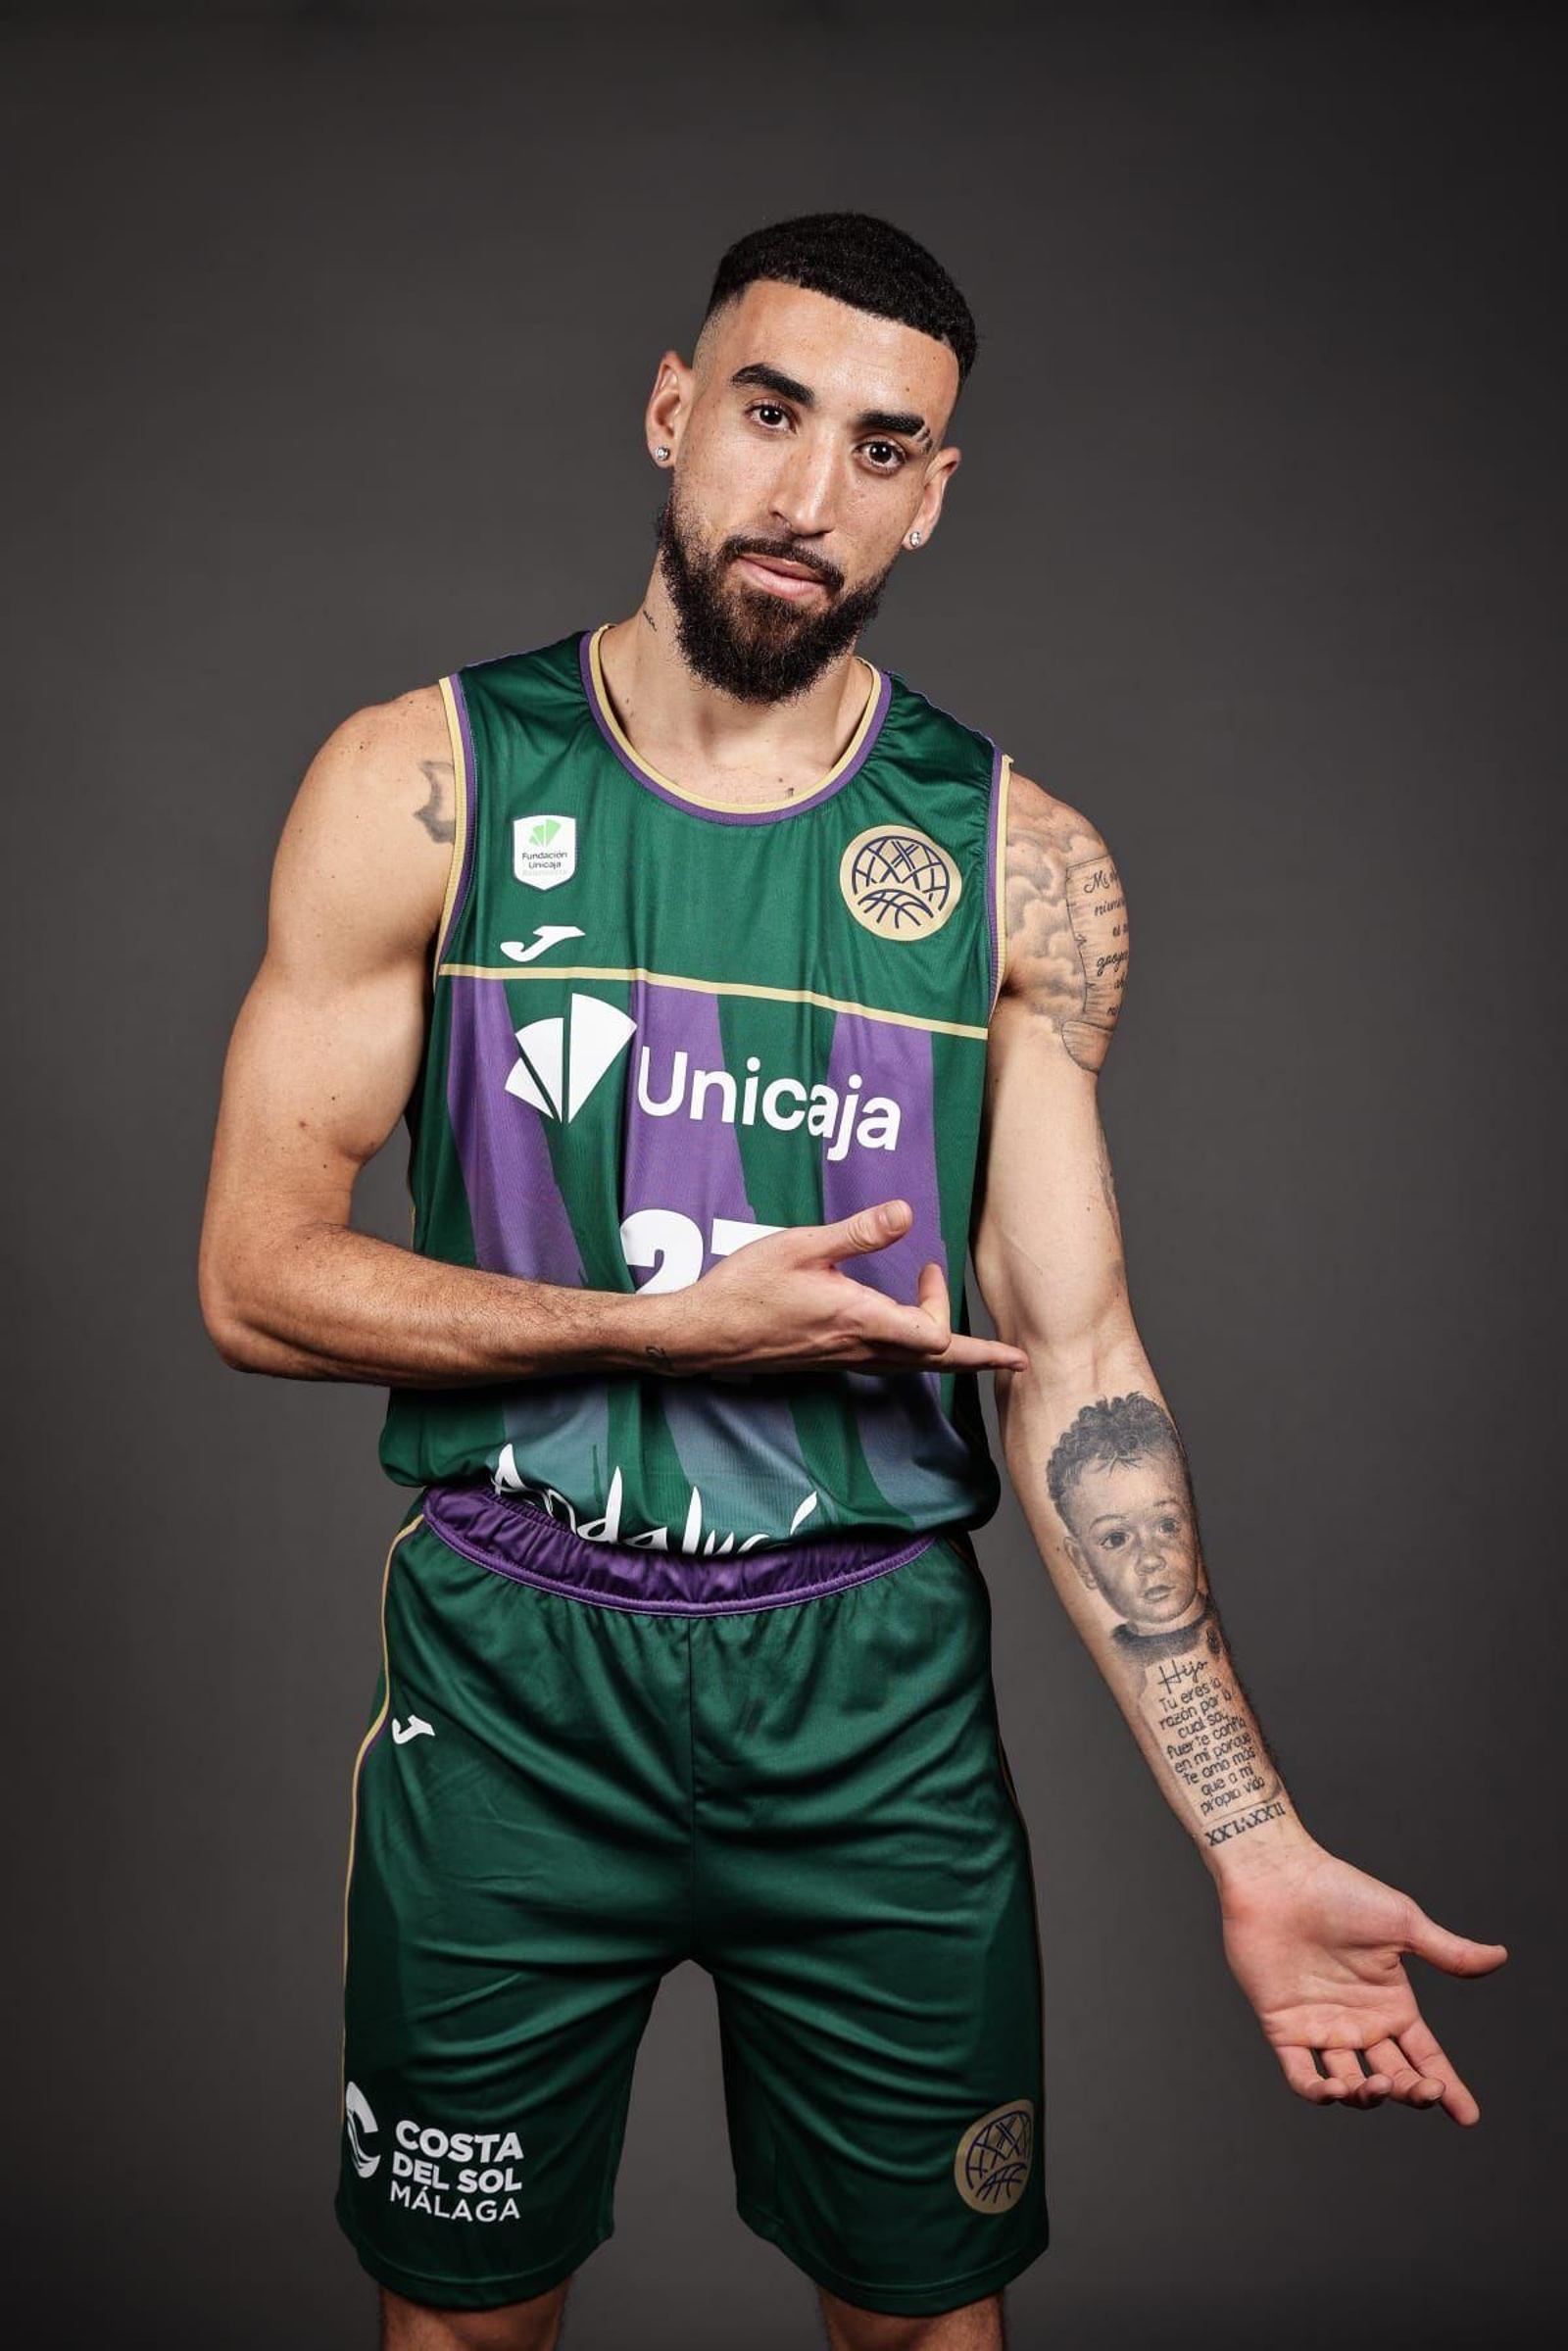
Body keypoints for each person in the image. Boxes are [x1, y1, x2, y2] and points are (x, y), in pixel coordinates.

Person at [198, 212, 1507, 2351]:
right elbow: (253, 1278)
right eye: (770, 414)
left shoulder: (1013, 861)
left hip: (865, 1703)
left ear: (934, 490)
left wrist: (1249, 1842)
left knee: (922, 2320)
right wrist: (650, 1330)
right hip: (514, 1690)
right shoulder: (419, 782)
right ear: (671, 411)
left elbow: (1074, 1367)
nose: (806, 497)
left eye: (881, 449)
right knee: (457, 2319)